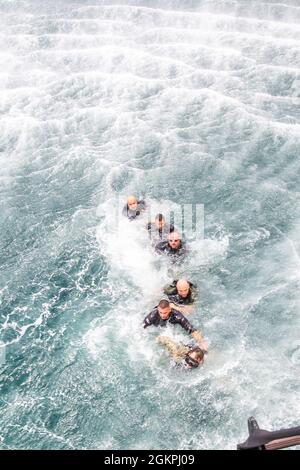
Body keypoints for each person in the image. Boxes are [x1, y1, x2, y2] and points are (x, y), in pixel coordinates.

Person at [143, 299, 208, 351]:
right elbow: (141, 328)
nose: (162, 315)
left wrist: (202, 341)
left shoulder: (177, 315)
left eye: (165, 312)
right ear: (158, 309)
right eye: (160, 312)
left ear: (170, 309)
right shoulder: (152, 316)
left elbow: (191, 329)